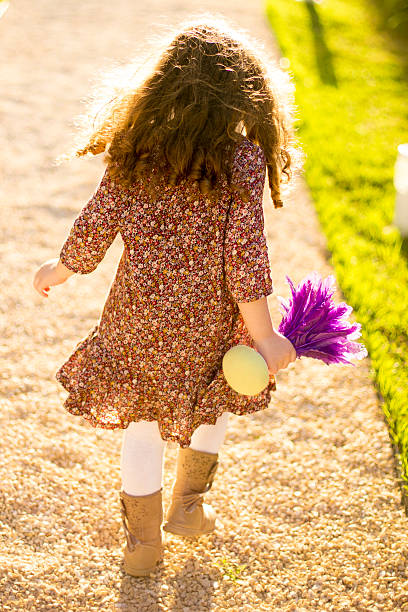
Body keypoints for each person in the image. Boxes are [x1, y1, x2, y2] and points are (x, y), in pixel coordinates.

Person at [33, 17, 300, 577]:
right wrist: (265, 335)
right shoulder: (241, 162)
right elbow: (244, 256)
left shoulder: (135, 151)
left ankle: (142, 545)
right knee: (213, 400)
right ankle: (188, 508)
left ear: (160, 88)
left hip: (136, 316)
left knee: (142, 423)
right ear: (240, 96)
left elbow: (97, 221)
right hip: (207, 320)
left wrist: (61, 268)